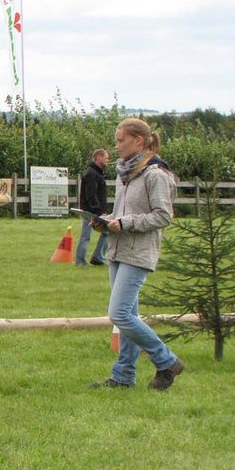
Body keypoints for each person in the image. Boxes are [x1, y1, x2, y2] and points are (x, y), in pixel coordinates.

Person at [91, 118, 183, 390]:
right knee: (128, 315)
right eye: (116, 141)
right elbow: (121, 214)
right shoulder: (125, 173)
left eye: (121, 140)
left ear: (139, 141)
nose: (116, 146)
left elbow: (163, 216)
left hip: (139, 252)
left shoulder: (155, 174)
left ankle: (166, 361)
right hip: (118, 249)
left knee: (119, 314)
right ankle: (123, 376)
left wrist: (125, 223)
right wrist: (105, 221)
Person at [75, 148, 110, 266]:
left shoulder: (97, 173)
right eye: (106, 158)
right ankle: (80, 261)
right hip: (90, 211)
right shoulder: (91, 173)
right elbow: (91, 194)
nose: (108, 160)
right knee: (86, 236)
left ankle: (97, 257)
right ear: (99, 157)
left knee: (106, 232)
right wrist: (99, 211)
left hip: (95, 210)